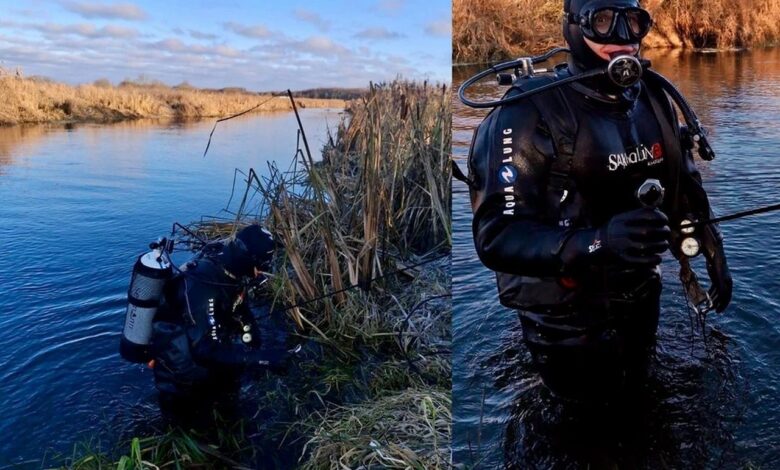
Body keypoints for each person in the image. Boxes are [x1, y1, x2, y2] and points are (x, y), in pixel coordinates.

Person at [467, 0, 732, 402]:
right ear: (573, 27)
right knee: (584, 431)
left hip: (641, 296)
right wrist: (598, 241)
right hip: (565, 322)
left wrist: (713, 251)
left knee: (643, 404)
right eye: (604, 22)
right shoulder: (524, 112)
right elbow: (496, 236)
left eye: (634, 23)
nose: (622, 39)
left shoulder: (655, 97)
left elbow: (684, 185)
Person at [149, 224, 292, 419]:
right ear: (247, 258)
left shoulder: (231, 269)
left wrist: (255, 346)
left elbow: (240, 310)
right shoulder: (204, 284)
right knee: (194, 430)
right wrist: (261, 358)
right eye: (261, 266)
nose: (262, 272)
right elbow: (203, 350)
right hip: (182, 380)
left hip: (209, 359)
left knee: (229, 411)